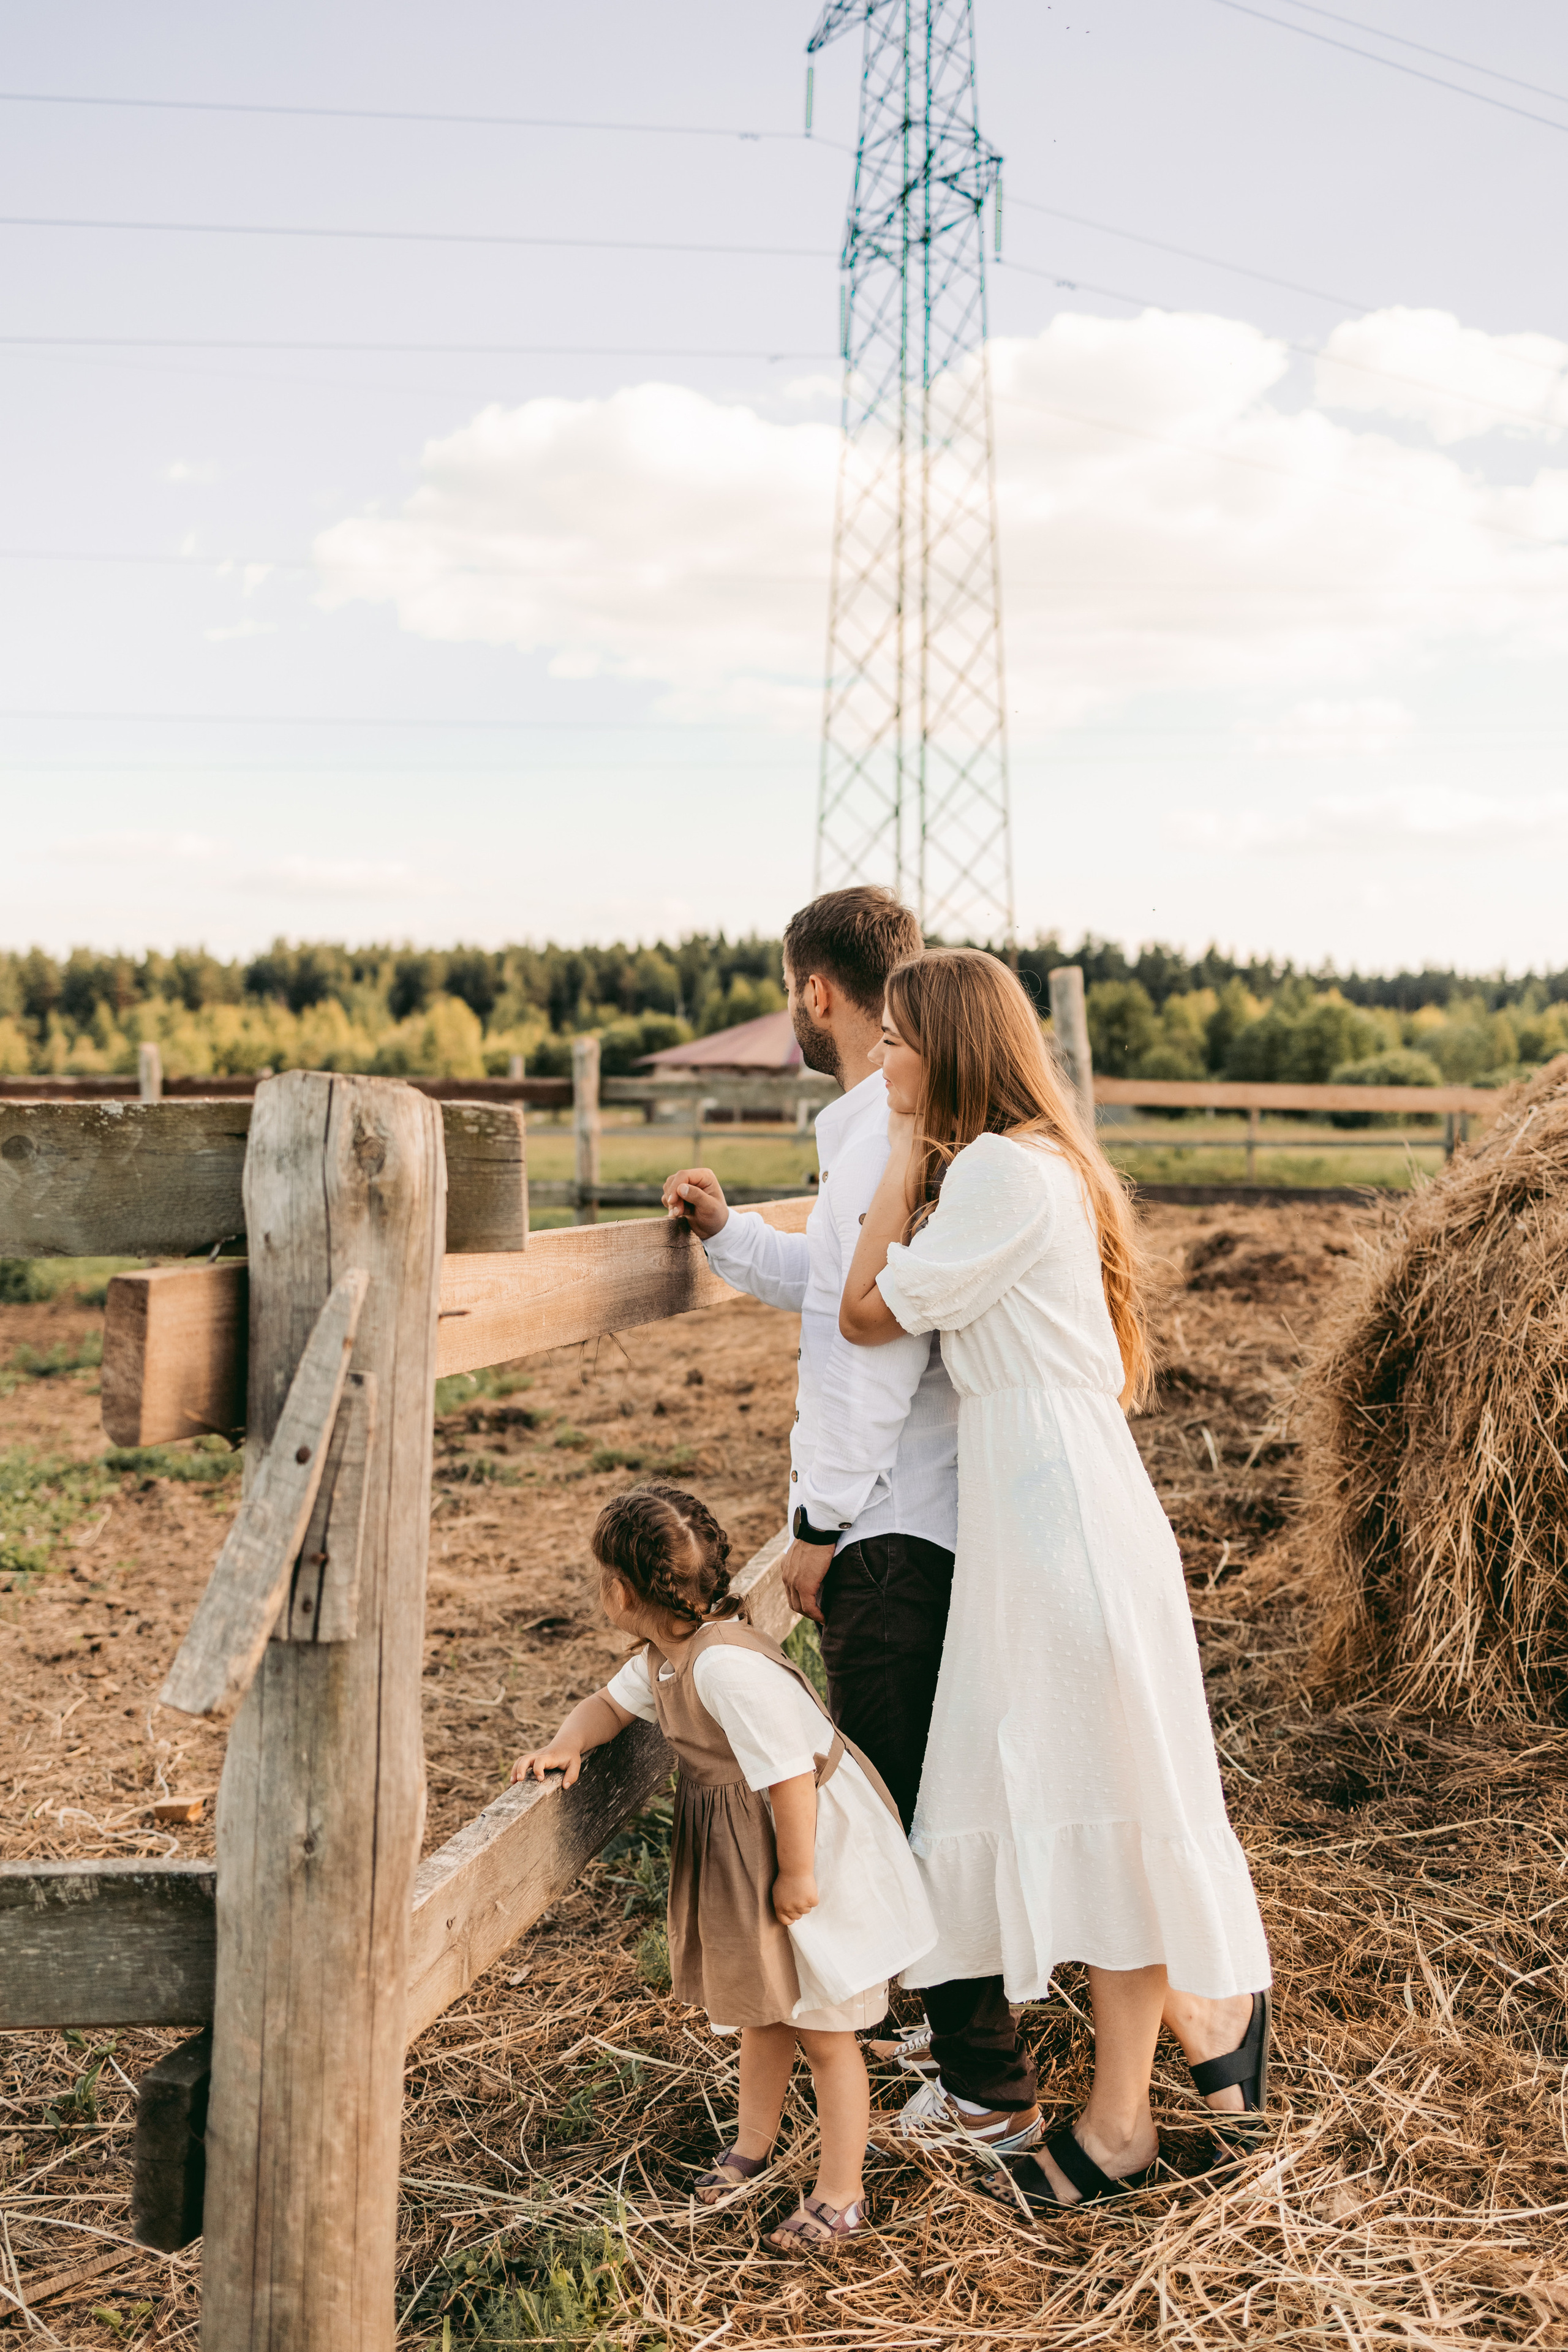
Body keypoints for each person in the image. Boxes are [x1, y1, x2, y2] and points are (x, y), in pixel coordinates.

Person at [839, 949, 1273, 2212]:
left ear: (949, 1046)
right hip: (1054, 1500)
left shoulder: (987, 1169)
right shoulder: (1039, 1164)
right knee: (1103, 1803)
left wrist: (895, 1152)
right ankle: (1164, 2069)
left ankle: (1140, 2099)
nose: (882, 1062)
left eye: (896, 1044)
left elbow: (868, 1308)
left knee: (1105, 1804)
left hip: (1054, 1510)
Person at [660, 888, 1044, 2149]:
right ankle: (956, 2028)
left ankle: (986, 2086)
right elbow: (842, 1289)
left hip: (892, 1523)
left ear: (812, 990)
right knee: (922, 1780)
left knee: (910, 1796)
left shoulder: (883, 1127)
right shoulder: (883, 1128)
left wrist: (817, 1526)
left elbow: (860, 1358)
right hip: (924, 1509)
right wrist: (729, 1237)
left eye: (788, 985)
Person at [510, 1482, 936, 2250]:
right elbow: (608, 1706)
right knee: (763, 2005)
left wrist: (798, 1874)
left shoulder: (723, 1670)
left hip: (807, 1849)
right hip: (752, 1848)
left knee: (824, 2028)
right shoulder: (666, 1656)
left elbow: (790, 1777)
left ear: (618, 1589)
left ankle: (841, 2194)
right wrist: (568, 1743)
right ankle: (753, 2142)